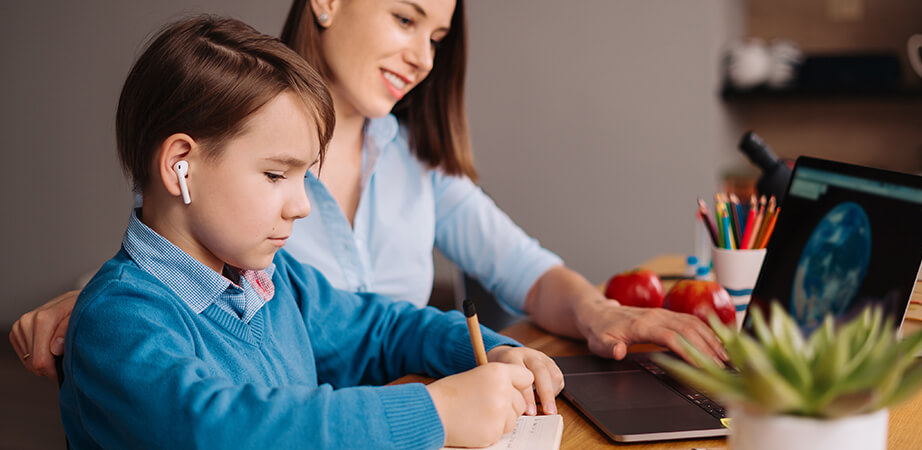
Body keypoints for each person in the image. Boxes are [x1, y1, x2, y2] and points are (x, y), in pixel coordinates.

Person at [10, 0, 727, 386]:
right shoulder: (237, 122)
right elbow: (171, 268)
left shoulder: (417, 160)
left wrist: (601, 313)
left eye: (439, 35)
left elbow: (523, 270)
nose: (424, 56)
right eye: (406, 18)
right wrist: (93, 296)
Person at [60, 15, 562, 449]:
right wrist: (435, 411)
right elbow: (221, 433)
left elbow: (379, 330)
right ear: (181, 167)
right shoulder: (118, 320)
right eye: (277, 175)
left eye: (305, 177)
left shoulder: (276, 282)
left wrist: (492, 350)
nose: (301, 206)